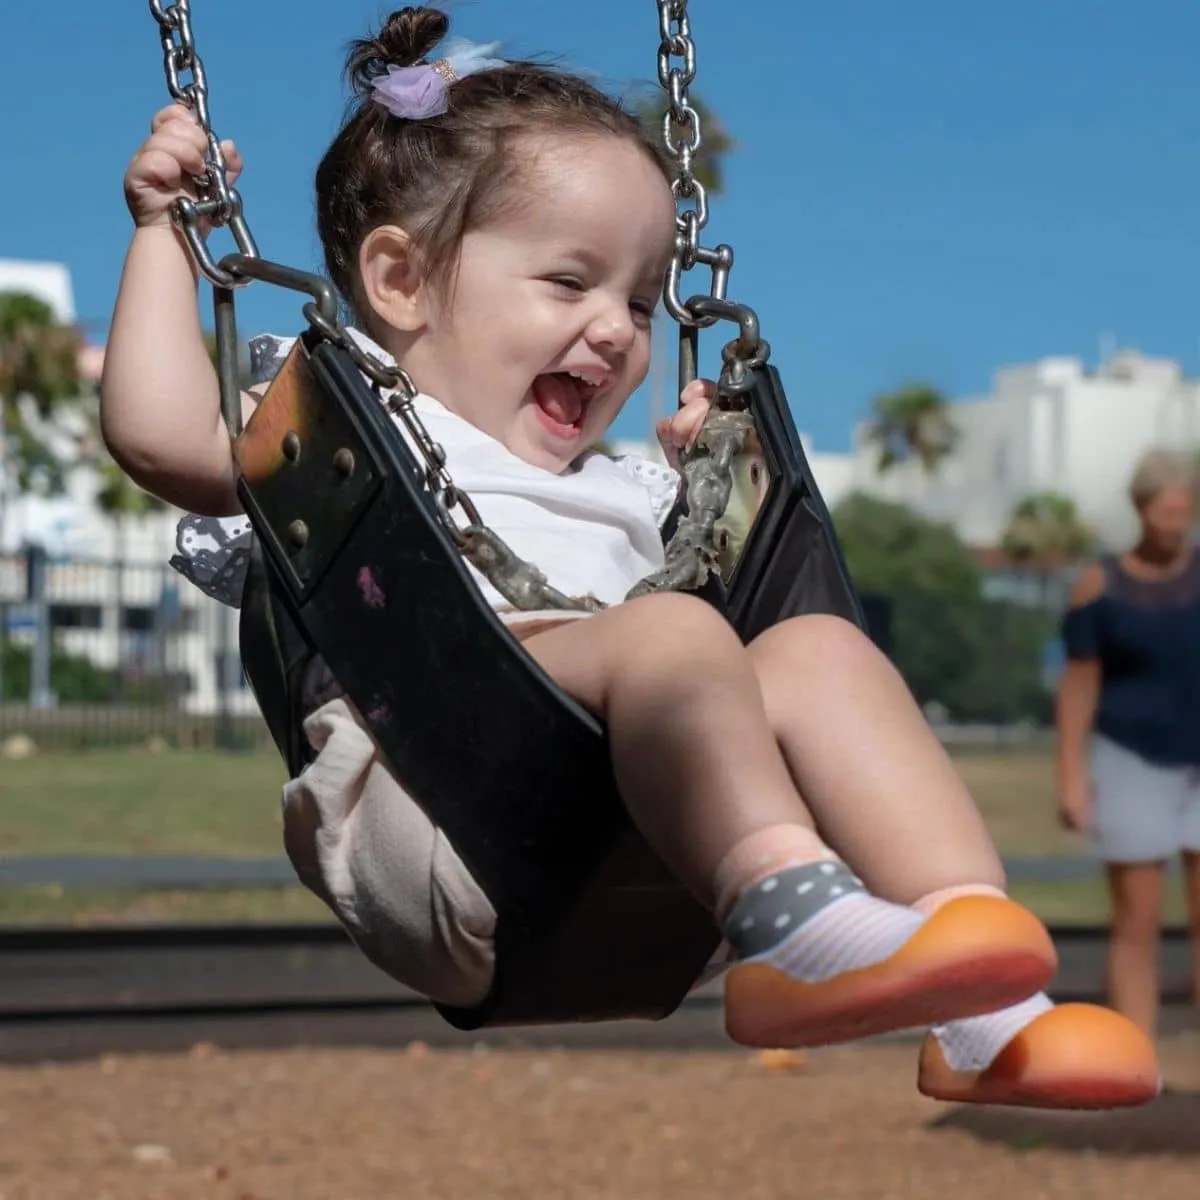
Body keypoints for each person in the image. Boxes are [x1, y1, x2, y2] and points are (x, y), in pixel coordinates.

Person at [101, 6, 1158, 1108]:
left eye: (640, 300)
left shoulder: (618, 487)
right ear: (401, 280)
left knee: (816, 648)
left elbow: (707, 638)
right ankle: (790, 914)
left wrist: (704, 487)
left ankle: (977, 997)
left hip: (640, 849)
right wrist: (158, 233)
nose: (617, 329)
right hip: (446, 826)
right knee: (670, 631)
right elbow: (162, 437)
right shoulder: (346, 429)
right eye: (569, 283)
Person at [1058, 447, 1200, 1041]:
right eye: (1167, 512)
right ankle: (1135, 1063)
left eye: (1186, 513)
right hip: (1129, 760)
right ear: (1142, 511)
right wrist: (1070, 776)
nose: (1177, 525)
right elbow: (1079, 685)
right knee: (1136, 921)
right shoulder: (1100, 586)